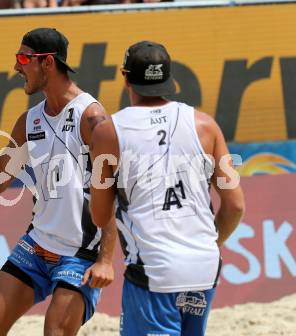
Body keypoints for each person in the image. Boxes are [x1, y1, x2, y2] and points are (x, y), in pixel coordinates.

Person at [0, 27, 116, 336]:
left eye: (22, 58)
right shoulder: (29, 121)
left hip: (81, 253)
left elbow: (110, 189)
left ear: (47, 63)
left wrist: (106, 260)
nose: (16, 67)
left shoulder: (91, 117)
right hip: (38, 244)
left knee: (55, 333)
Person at [89, 41, 245, 336]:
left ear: (125, 77)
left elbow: (99, 215)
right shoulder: (205, 125)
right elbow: (235, 206)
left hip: (155, 269)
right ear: (169, 79)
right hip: (204, 264)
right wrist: (208, 245)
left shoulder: (109, 131)